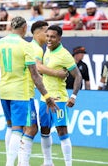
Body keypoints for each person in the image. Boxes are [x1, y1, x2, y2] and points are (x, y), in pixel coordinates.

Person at [0, 16, 58, 166]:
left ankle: (13, 162)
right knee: (18, 130)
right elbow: (35, 74)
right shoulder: (25, 46)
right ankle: (10, 164)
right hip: (20, 93)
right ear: (24, 28)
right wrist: (46, 95)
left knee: (10, 127)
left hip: (4, 91)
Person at [38, 25, 82, 166]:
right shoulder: (46, 50)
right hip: (44, 98)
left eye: (53, 37)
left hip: (59, 99)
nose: (49, 39)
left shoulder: (64, 55)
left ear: (59, 38)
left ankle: (68, 164)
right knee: (44, 130)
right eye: (48, 36)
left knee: (61, 131)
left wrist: (73, 96)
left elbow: (78, 76)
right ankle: (48, 162)